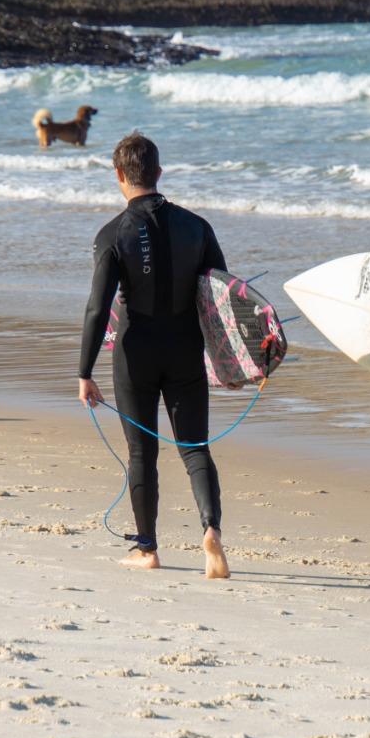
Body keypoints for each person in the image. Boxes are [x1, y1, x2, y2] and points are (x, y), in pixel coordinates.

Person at [77, 131, 230, 579]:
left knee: (141, 451)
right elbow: (219, 294)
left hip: (135, 353)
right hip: (186, 349)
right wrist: (235, 361)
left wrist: (84, 371)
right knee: (195, 447)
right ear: (159, 174)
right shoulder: (197, 227)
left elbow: (97, 307)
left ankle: (148, 548)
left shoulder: (112, 234)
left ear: (120, 176)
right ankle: (212, 531)